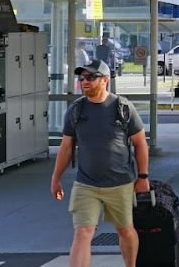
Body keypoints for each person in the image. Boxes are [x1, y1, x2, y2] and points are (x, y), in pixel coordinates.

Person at [50, 60, 149, 267]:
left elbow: (140, 143)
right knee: (83, 232)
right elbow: (66, 147)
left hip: (120, 183)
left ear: (105, 80)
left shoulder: (123, 108)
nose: (84, 82)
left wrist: (142, 177)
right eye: (82, 78)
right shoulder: (76, 110)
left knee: (125, 230)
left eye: (90, 77)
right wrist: (56, 178)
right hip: (86, 184)